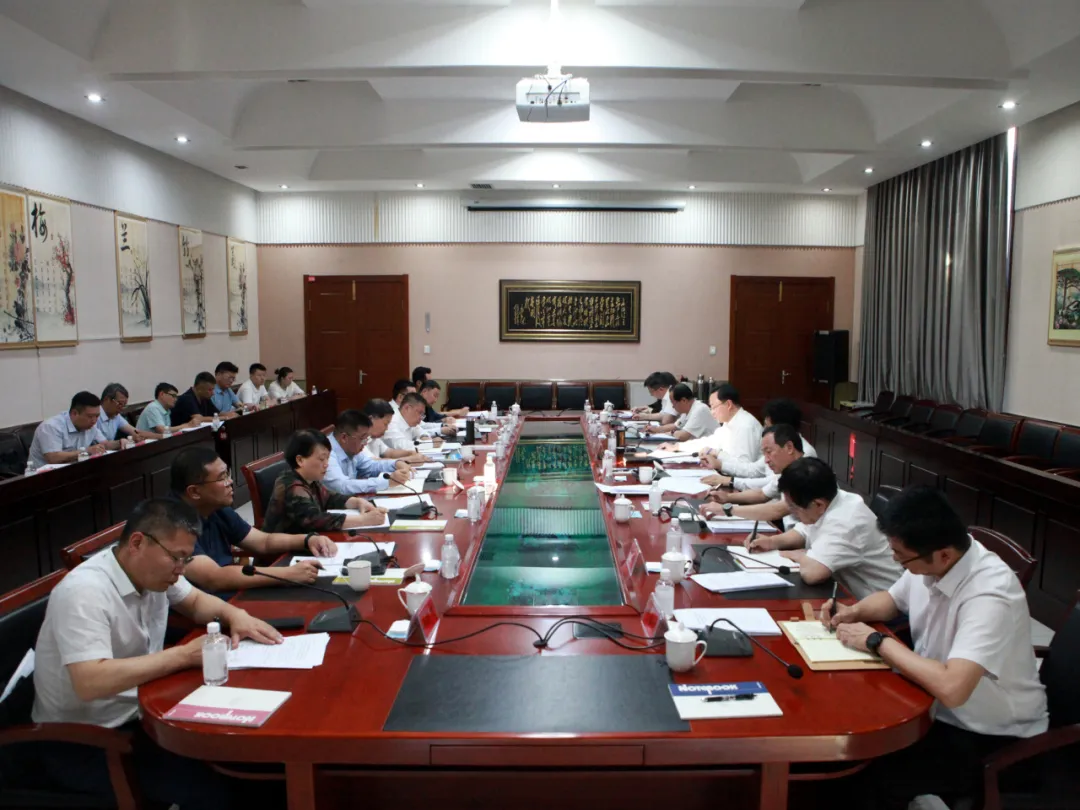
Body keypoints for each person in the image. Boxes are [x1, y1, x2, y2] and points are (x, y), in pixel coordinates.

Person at [31, 497, 283, 810]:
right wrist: (183, 656)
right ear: (138, 542)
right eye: (176, 558)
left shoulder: (153, 572)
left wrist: (236, 616)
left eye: (186, 559)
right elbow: (90, 681)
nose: (181, 570)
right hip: (86, 741)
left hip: (144, 713)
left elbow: (196, 602)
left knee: (251, 759)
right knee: (220, 786)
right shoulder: (84, 592)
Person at [827, 486, 1048, 810]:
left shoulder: (989, 594)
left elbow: (953, 688)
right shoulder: (935, 557)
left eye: (901, 556)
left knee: (868, 771)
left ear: (944, 554)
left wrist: (876, 641)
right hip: (934, 706)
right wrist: (853, 612)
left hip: (989, 735)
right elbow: (892, 600)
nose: (895, 560)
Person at [170, 446, 338, 595]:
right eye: (222, 478)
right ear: (194, 492)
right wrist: (288, 574)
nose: (230, 482)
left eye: (228, 474)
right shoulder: (171, 524)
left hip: (232, 593)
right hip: (205, 606)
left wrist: (308, 539)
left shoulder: (216, 508)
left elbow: (263, 541)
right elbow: (213, 578)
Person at [754, 457, 902, 599]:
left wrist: (795, 554)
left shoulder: (846, 522)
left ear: (818, 504)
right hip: (847, 594)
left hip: (881, 605)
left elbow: (812, 574)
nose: (792, 513)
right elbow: (803, 531)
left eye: (794, 508)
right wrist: (771, 542)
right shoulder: (829, 499)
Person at [263, 429, 388, 534]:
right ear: (300, 460)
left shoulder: (310, 478)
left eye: (327, 458)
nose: (326, 464)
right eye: (322, 459)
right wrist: (363, 520)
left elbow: (330, 498)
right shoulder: (292, 486)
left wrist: (358, 502)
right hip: (283, 552)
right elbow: (315, 520)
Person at [700, 424, 804, 528]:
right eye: (764, 454)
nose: (766, 460)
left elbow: (776, 510)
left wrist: (727, 509)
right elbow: (762, 494)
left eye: (769, 452)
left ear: (789, 447)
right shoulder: (788, 471)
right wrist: (727, 497)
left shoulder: (804, 473)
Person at [664, 383, 763, 472]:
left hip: (742, 482)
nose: (712, 412)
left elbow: (745, 467)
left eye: (713, 407)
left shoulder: (746, 425)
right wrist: (678, 446)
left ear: (728, 404)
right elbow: (709, 442)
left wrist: (717, 454)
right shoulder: (729, 422)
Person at [713, 398, 817, 480]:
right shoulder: (776, 446)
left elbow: (771, 487)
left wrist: (730, 481)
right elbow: (753, 470)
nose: (764, 430)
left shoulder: (805, 453)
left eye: (767, 426)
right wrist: (720, 465)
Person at [325, 409, 413, 495]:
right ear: (344, 438)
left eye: (367, 438)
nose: (365, 443)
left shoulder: (352, 448)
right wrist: (387, 482)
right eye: (362, 439)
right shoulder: (326, 454)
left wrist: (396, 464)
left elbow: (370, 466)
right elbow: (343, 486)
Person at [28, 391, 119, 467]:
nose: (94, 421)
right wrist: (86, 451)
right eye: (90, 416)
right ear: (74, 413)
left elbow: (105, 445)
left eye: (97, 416)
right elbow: (53, 458)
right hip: (42, 477)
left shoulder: (91, 426)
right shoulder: (51, 426)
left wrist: (120, 442)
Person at [362, 399, 428, 463]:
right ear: (371, 419)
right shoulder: (360, 439)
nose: (387, 428)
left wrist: (410, 453)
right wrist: (410, 459)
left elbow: (390, 453)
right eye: (385, 424)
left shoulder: (375, 438)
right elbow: (374, 463)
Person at [645, 383, 718, 440]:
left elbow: (682, 436)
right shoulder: (687, 410)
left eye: (673, 403)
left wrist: (670, 433)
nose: (673, 407)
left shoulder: (700, 410)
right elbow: (675, 426)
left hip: (710, 450)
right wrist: (656, 429)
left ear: (683, 400)